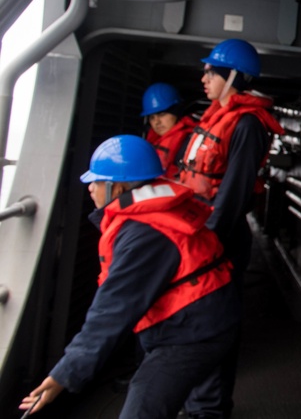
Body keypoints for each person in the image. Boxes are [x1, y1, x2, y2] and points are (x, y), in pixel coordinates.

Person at [19, 135, 239, 418]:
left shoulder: (145, 234)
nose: (90, 189)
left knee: (142, 409)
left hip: (192, 332)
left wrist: (64, 375)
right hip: (216, 314)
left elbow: (112, 311)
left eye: (96, 182)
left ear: (118, 188)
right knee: (206, 409)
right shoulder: (160, 212)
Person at [178, 38, 283, 419]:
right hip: (197, 233)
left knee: (212, 322)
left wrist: (206, 245)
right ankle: (195, 402)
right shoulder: (215, 116)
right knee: (192, 319)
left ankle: (209, 409)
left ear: (233, 77)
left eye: (212, 71)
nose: (204, 77)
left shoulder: (248, 125)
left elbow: (234, 195)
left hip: (216, 239)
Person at [141, 82, 196, 179]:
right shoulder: (151, 140)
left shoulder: (190, 142)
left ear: (176, 112)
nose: (157, 122)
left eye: (162, 114)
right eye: (152, 117)